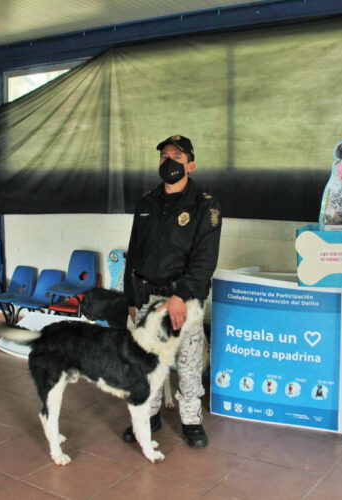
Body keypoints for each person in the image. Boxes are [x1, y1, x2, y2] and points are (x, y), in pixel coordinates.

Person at [122, 134, 221, 448]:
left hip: (184, 300)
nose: (169, 162)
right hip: (147, 298)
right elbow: (134, 250)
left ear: (190, 164)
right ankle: (148, 417)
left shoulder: (205, 205)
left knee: (189, 364)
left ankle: (191, 420)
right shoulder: (146, 201)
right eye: (164, 156)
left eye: (177, 158)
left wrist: (181, 296)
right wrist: (131, 299)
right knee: (146, 363)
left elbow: (205, 260)